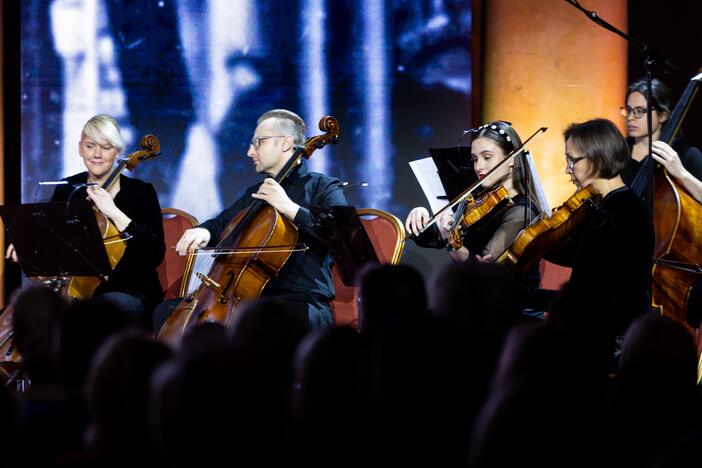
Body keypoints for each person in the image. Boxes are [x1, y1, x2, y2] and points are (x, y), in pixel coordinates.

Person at [164, 109, 347, 330]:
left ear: (286, 143)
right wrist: (204, 231)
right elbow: (222, 224)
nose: (250, 152)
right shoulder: (256, 192)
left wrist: (288, 207)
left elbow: (342, 233)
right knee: (165, 312)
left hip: (302, 301)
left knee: (261, 321)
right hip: (249, 298)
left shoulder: (323, 186)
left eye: (258, 142)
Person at [6, 114, 166, 328]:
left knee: (105, 308)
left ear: (118, 151)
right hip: (73, 290)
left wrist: (114, 212)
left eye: (106, 147)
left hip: (129, 291)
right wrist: (27, 246)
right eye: (90, 146)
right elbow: (45, 235)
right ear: (80, 148)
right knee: (33, 306)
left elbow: (155, 253)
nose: (97, 154)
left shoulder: (140, 192)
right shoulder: (66, 188)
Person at [532, 118, 654, 366]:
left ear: (597, 158)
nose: (567, 169)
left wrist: (517, 295)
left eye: (572, 160)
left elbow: (586, 298)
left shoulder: (616, 213)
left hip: (609, 344)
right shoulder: (610, 206)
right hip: (606, 333)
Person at [405, 120, 543, 264]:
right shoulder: (479, 198)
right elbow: (433, 239)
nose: (478, 166)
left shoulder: (520, 212)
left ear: (511, 159)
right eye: (475, 159)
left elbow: (483, 270)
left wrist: (455, 246)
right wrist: (421, 219)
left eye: (487, 157)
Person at [620, 78, 702, 203]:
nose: (630, 117)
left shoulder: (687, 154)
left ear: (662, 115)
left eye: (639, 111)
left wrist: (681, 173)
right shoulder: (616, 151)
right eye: (629, 110)